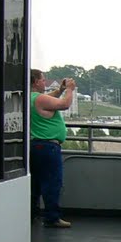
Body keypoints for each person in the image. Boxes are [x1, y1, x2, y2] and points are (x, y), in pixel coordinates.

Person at [30, 70, 75, 227]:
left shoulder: (31, 98)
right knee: (52, 182)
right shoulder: (39, 98)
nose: (45, 82)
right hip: (48, 147)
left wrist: (61, 90)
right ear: (35, 81)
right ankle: (52, 218)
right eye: (43, 80)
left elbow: (50, 99)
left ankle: (32, 214)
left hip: (35, 145)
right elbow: (64, 104)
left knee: (35, 183)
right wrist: (69, 89)